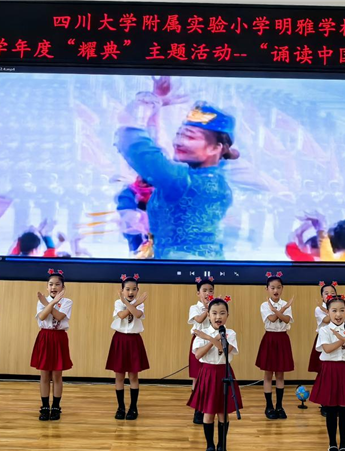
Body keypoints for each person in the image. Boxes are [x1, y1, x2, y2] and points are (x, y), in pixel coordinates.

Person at [115, 76, 240, 259]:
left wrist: (150, 103)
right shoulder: (214, 176)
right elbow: (155, 153)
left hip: (180, 266)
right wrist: (156, 111)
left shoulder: (182, 180)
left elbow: (133, 144)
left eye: (189, 137)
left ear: (215, 148)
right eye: (179, 134)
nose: (179, 142)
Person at [310, 294, 345, 451]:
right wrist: (342, 339)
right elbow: (327, 349)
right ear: (328, 312)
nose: (338, 314)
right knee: (331, 409)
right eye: (334, 310)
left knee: (344, 410)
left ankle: (344, 445)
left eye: (342, 310)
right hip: (330, 370)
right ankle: (332, 443)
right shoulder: (324, 330)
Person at [188, 297, 243, 451]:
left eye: (222, 313)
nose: (218, 317)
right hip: (208, 373)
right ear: (208, 315)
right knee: (209, 412)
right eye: (214, 313)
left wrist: (209, 338)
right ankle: (210, 445)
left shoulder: (230, 333)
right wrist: (212, 338)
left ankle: (221, 445)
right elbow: (198, 355)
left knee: (223, 412)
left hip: (224, 372)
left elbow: (225, 350)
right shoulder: (203, 332)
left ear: (227, 315)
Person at [30, 269, 73, 421]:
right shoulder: (41, 301)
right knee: (44, 374)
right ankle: (44, 406)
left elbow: (60, 316)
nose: (54, 287)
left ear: (63, 287)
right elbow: (42, 316)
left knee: (57, 375)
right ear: (47, 287)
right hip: (45, 337)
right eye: (51, 284)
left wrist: (49, 303)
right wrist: (51, 303)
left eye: (57, 284)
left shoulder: (67, 302)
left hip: (59, 338)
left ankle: (56, 406)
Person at [105, 274, 149, 420]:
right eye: (127, 289)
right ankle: (121, 407)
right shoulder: (118, 303)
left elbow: (137, 314)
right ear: (122, 290)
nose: (131, 292)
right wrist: (128, 302)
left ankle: (133, 407)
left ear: (137, 290)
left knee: (133, 375)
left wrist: (134, 304)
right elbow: (122, 315)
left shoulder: (140, 304)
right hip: (119, 340)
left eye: (134, 289)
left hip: (134, 340)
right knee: (119, 375)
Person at [255, 272, 294, 420]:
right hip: (270, 339)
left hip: (282, 338)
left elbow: (286, 320)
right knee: (268, 374)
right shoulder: (264, 305)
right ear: (267, 289)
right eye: (272, 287)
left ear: (282, 288)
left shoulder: (285, 303)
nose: (275, 290)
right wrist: (282, 309)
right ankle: (269, 406)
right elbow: (271, 319)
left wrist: (280, 310)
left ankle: (279, 406)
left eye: (278, 287)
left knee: (280, 374)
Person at [308, 281, 339, 417]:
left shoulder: (339, 307)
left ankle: (336, 403)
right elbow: (327, 320)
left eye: (332, 293)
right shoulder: (318, 309)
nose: (330, 295)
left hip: (337, 340)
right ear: (322, 297)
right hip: (324, 341)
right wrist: (331, 310)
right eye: (326, 293)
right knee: (324, 373)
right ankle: (324, 404)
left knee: (336, 373)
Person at [188, 276, 215, 424]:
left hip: (211, 342)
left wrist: (214, 308)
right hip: (198, 343)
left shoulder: (215, 306)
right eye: (204, 290)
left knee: (209, 377)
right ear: (198, 293)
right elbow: (198, 319)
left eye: (210, 290)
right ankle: (197, 410)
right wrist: (208, 308)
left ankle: (208, 408)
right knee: (197, 378)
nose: (208, 293)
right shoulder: (194, 307)